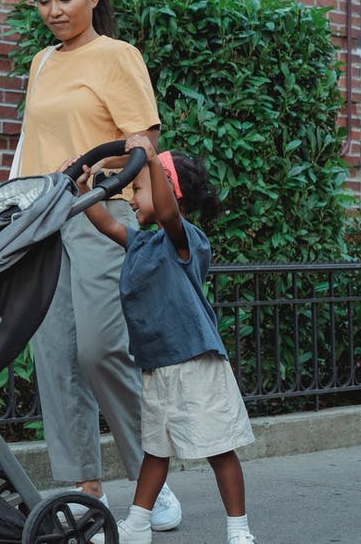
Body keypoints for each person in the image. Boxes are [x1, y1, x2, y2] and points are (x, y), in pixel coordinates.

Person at [13, 0, 181, 529]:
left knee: (101, 347)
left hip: (99, 216)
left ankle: (149, 481)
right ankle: (86, 490)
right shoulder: (40, 62)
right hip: (43, 220)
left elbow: (143, 143)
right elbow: (30, 147)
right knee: (55, 356)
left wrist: (101, 176)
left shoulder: (117, 56)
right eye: (43, 1)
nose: (54, 11)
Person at [70, 134, 256, 544]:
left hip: (195, 361)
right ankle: (137, 525)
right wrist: (85, 191)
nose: (132, 199)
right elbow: (107, 224)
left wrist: (151, 161)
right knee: (154, 452)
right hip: (156, 364)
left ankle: (239, 530)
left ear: (166, 189)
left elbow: (169, 213)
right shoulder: (141, 243)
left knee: (219, 448)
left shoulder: (185, 240)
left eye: (137, 190)